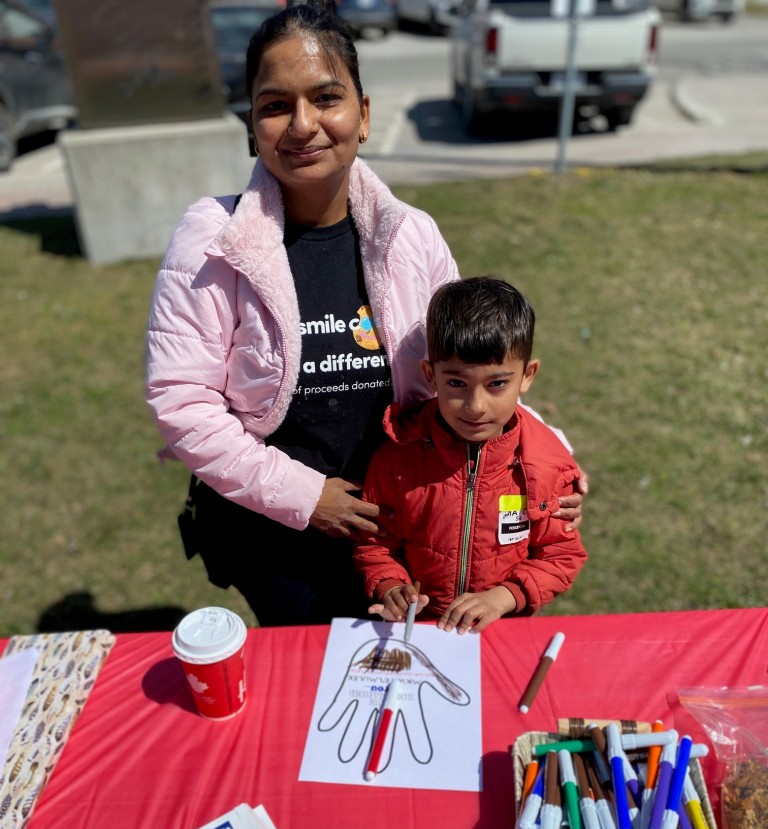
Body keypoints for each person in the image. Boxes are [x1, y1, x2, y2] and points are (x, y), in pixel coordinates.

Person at [145, 1, 584, 627]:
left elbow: (467, 366)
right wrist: (305, 497)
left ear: (364, 114)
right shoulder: (211, 237)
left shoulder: (411, 236)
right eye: (275, 105)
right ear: (252, 123)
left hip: (406, 531)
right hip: (280, 541)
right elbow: (181, 402)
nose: (302, 125)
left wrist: (553, 459)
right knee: (313, 695)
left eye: (326, 97)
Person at [354, 277, 587, 635]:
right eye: (457, 383)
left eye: (496, 384)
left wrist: (503, 597)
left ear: (527, 376)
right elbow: (374, 544)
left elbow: (561, 556)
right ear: (431, 376)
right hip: (417, 634)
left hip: (502, 630)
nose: (476, 407)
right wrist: (390, 585)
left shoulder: (548, 465)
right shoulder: (396, 457)